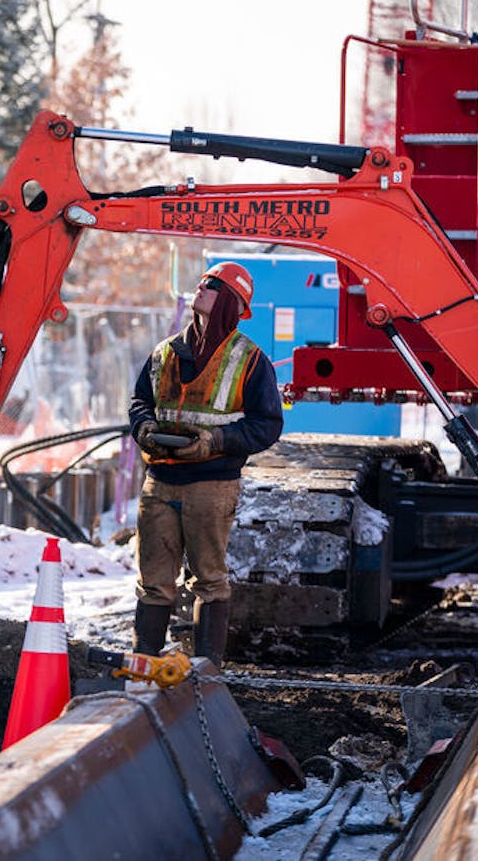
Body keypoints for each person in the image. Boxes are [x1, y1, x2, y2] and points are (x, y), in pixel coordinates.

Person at [128, 261, 283, 666]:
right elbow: (140, 401)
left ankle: (206, 669)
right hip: (159, 481)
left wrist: (215, 441)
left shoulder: (248, 360)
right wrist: (144, 427)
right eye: (202, 282)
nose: (201, 288)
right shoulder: (165, 352)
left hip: (211, 486)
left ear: (230, 303)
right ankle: (145, 661)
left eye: (212, 286)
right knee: (153, 583)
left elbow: (267, 425)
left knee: (209, 581)